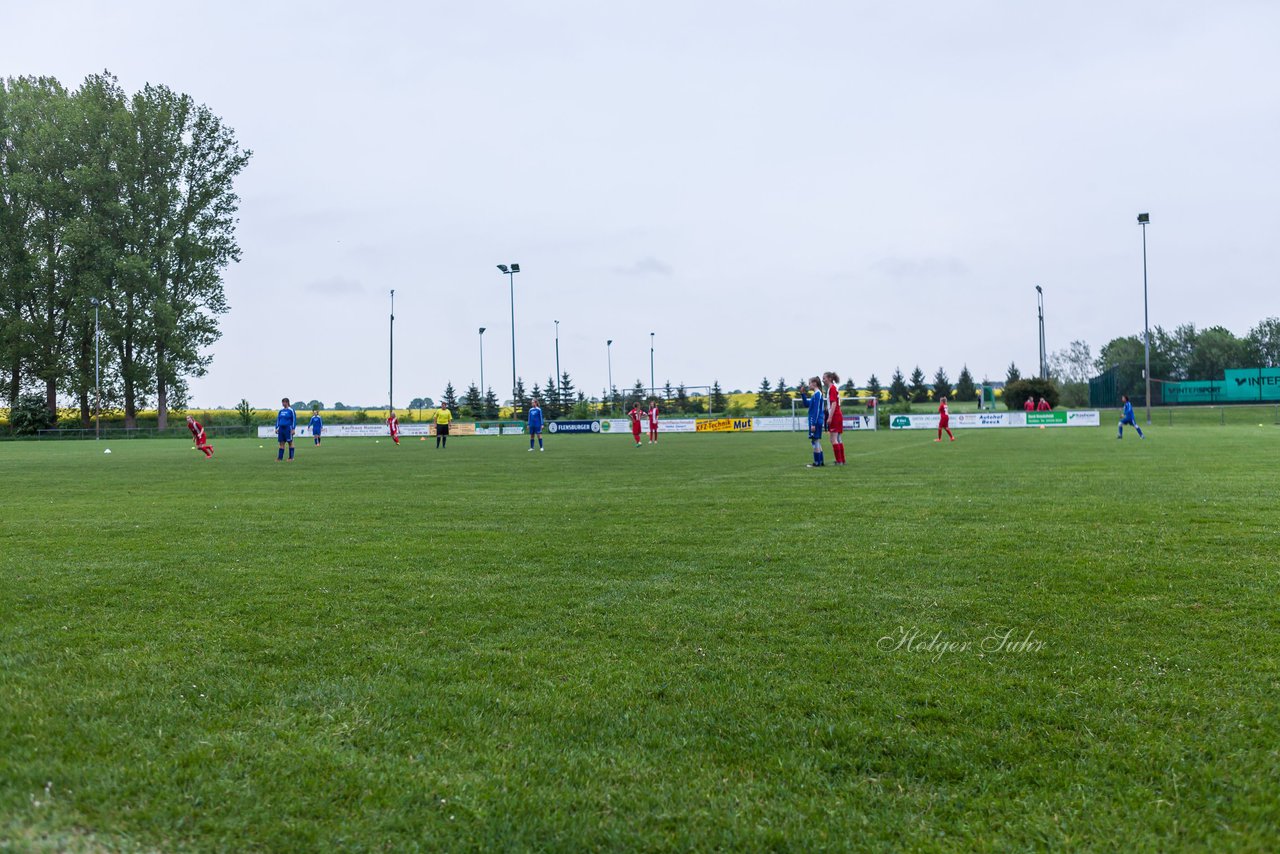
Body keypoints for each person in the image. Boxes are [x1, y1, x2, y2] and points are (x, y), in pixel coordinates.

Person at [802, 376, 825, 467]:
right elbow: (806, 404)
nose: (809, 385)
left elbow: (816, 410)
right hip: (816, 421)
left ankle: (817, 463)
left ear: (814, 383)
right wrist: (803, 394)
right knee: (816, 441)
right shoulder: (815, 395)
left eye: (810, 383)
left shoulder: (817, 394)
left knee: (814, 441)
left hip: (815, 421)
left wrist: (813, 424)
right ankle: (821, 461)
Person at [824, 371, 845, 464]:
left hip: (835, 415)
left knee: (833, 439)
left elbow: (834, 403)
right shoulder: (834, 388)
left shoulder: (832, 388)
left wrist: (830, 417)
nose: (822, 380)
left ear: (829, 378)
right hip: (838, 414)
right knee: (838, 438)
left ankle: (839, 461)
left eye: (824, 378)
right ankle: (842, 460)